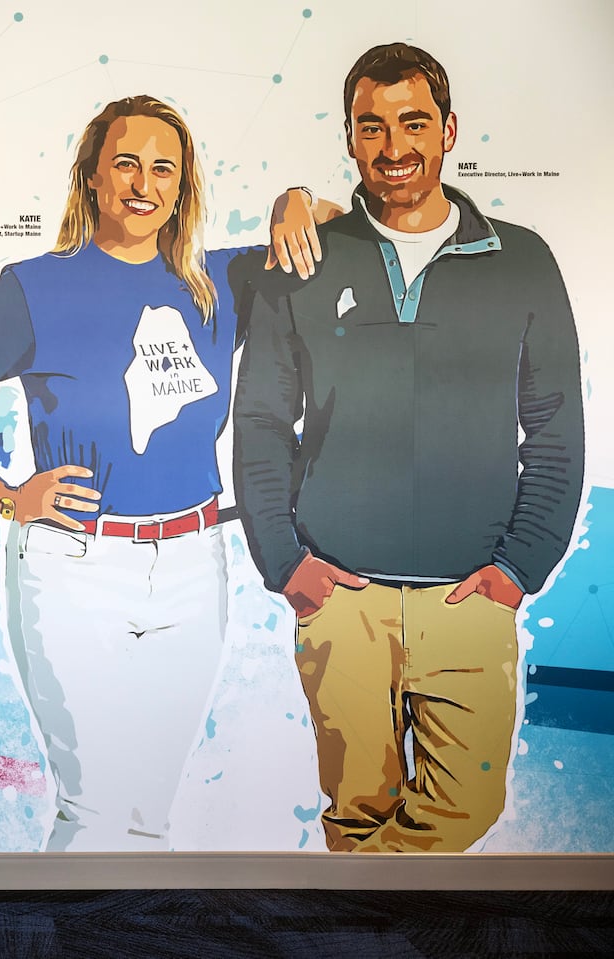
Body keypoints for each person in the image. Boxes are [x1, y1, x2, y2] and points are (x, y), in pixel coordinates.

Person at [0, 95, 337, 851]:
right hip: (75, 565)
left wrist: (294, 199)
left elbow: (333, 225)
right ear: (92, 178)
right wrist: (7, 495)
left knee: (146, 814)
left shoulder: (221, 279)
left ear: (183, 185)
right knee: (92, 809)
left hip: (196, 565)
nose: (143, 182)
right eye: (125, 162)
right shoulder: (34, 286)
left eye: (164, 167)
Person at [233, 43, 584, 852]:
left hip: (469, 600)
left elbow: (557, 426)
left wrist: (517, 568)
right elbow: (259, 421)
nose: (394, 148)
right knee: (355, 811)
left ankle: (351, 922)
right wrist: (285, 564)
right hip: (340, 602)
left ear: (450, 129)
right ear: (350, 139)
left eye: (414, 122)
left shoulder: (523, 259)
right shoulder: (305, 258)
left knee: (466, 806)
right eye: (372, 127)